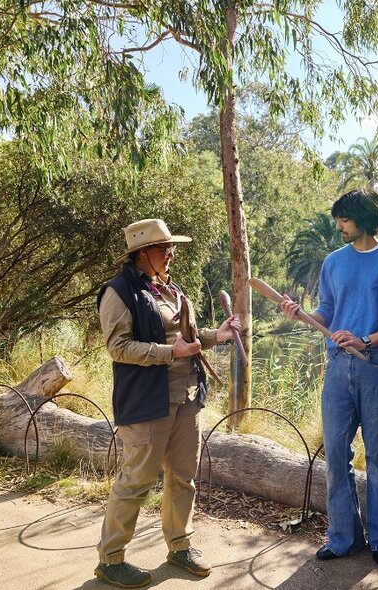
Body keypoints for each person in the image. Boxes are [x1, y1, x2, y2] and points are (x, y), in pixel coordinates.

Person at [94, 218, 240, 588]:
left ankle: (180, 547)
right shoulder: (119, 292)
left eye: (172, 247)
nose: (171, 253)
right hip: (147, 403)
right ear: (143, 253)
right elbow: (118, 348)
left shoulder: (170, 289)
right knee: (136, 480)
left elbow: (186, 338)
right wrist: (167, 352)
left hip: (187, 399)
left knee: (183, 478)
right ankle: (111, 559)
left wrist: (215, 336)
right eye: (165, 248)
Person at [280, 188, 378, 568]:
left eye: (344, 219)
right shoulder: (333, 262)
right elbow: (327, 310)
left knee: (377, 456)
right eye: (338, 220)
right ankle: (343, 537)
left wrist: (366, 339)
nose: (338, 226)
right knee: (336, 454)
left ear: (363, 218)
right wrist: (303, 315)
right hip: (338, 369)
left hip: (376, 368)